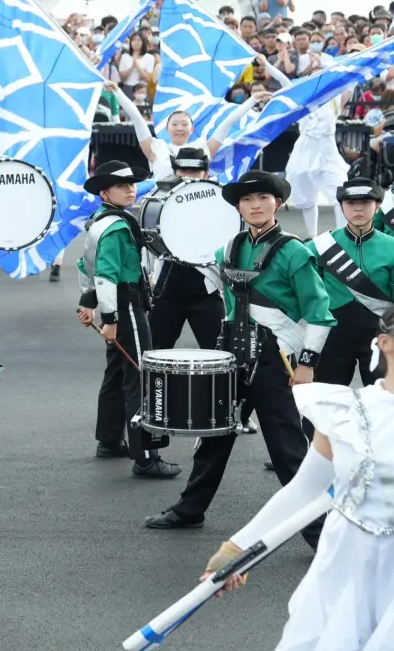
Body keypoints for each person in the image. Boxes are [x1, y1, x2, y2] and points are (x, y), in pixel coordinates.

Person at [145, 171, 333, 547]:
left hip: (273, 358)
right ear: (238, 207)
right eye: (247, 200)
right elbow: (209, 289)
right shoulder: (227, 248)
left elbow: (320, 312)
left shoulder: (295, 251)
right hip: (233, 355)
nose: (255, 205)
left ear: (277, 203)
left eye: (263, 198)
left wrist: (307, 363)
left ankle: (322, 534)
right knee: (214, 436)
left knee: (287, 448)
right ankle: (190, 509)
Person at [202, 307, 394, 649]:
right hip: (346, 568)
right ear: (385, 343)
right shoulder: (345, 410)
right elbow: (304, 489)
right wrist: (237, 549)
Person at [76, 162, 181, 478]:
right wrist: (109, 318)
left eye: (132, 184)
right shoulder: (118, 227)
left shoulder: (99, 222)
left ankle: (109, 439)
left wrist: (87, 301)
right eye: (122, 186)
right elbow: (106, 274)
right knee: (140, 374)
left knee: (117, 372)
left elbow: (85, 266)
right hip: (126, 305)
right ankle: (146, 456)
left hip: (115, 303)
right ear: (105, 192)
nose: (130, 189)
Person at [306, 178, 394, 387]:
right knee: (324, 407)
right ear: (341, 206)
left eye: (365, 203)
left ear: (378, 206)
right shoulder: (319, 246)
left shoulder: (392, 247)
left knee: (385, 408)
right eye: (351, 203)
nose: (358, 209)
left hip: (378, 336)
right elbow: (308, 292)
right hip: (333, 337)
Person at [148, 147, 227, 352]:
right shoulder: (160, 200)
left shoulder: (222, 200)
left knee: (219, 352)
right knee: (155, 351)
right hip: (168, 281)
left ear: (206, 174)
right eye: (183, 171)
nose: (188, 177)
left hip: (206, 282)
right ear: (176, 173)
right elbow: (147, 239)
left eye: (195, 172)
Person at [119, 82, 254, 180]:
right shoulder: (156, 147)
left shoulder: (201, 149)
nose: (179, 128)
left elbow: (227, 123)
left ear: (192, 129)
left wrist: (253, 100)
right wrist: (117, 92)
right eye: (175, 124)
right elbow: (137, 118)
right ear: (167, 128)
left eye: (184, 124)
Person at [286, 104, 350, 238]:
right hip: (304, 153)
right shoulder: (305, 99)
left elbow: (349, 84)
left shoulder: (334, 98)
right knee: (307, 198)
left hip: (327, 154)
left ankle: (344, 237)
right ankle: (312, 237)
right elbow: (289, 88)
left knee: (341, 195)